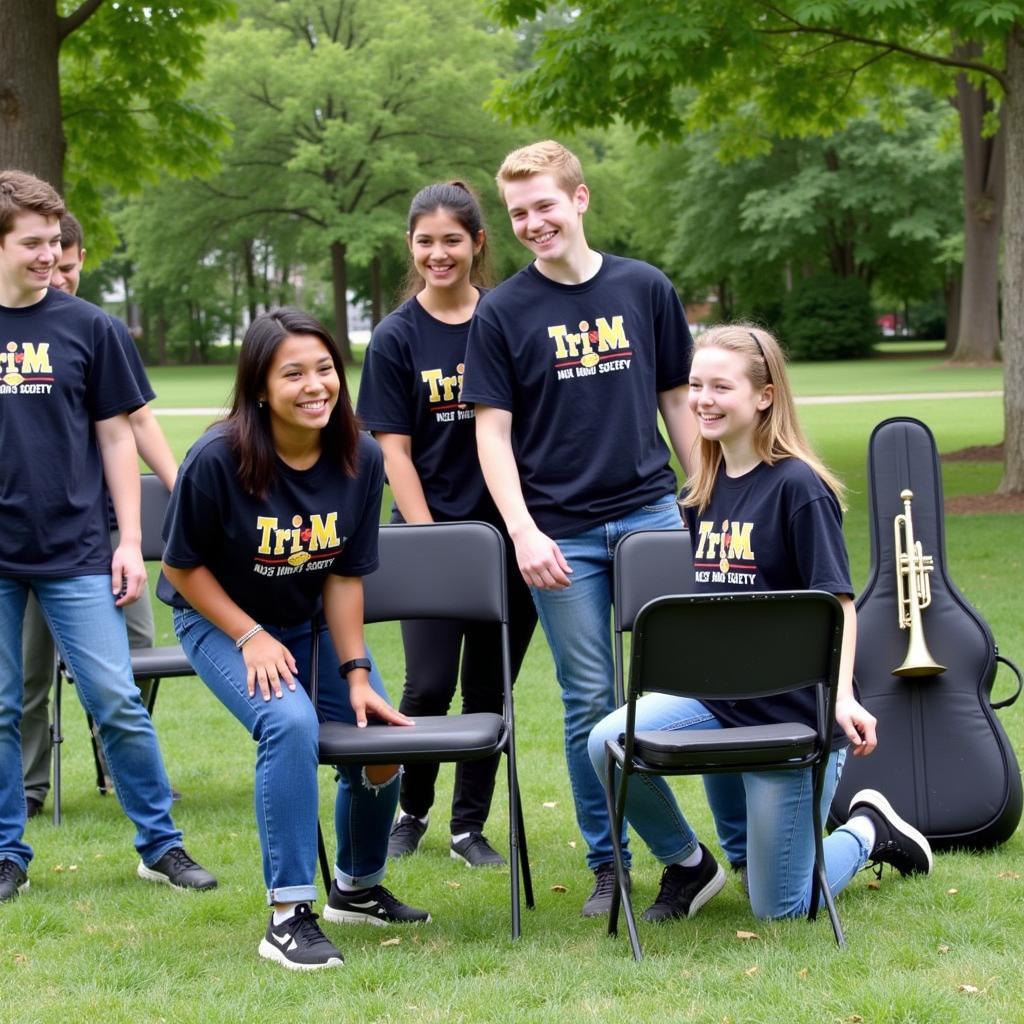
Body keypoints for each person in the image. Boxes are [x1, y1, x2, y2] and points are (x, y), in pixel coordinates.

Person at [587, 324, 933, 926]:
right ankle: (690, 864)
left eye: (722, 386)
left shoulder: (800, 488)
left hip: (791, 717)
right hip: (719, 702)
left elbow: (838, 604)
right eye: (696, 385)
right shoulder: (701, 490)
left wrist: (842, 697)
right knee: (608, 743)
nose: (703, 400)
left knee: (779, 908)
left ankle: (868, 832)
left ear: (764, 396)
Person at [459, 140, 699, 915]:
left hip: (653, 517)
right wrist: (523, 532)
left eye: (545, 206)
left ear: (581, 200)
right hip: (560, 535)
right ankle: (612, 863)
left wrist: (707, 496)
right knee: (588, 700)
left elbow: (676, 402)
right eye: (518, 212)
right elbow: (490, 432)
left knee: (677, 692)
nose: (533, 223)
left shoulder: (645, 287)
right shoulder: (501, 311)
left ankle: (696, 856)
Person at [160, 307, 430, 971]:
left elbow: (343, 573)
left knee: (380, 743)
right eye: (294, 373)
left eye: (325, 368)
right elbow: (179, 566)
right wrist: (249, 634)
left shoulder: (360, 456)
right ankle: (287, 916)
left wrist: (359, 672)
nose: (316, 384)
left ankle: (357, 888)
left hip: (308, 623)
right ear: (259, 386)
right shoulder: (217, 457)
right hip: (220, 619)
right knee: (289, 722)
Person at [0, 169, 215, 904]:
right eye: (32, 243)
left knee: (115, 695)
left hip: (76, 550)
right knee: (2, 706)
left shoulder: (89, 327)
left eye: (55, 242)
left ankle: (160, 844)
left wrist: (129, 539)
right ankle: (7, 853)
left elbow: (118, 441)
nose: (48, 255)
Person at [357, 182, 538, 867]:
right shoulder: (397, 336)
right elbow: (391, 451)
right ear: (411, 245)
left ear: (477, 243)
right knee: (428, 686)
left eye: (452, 241)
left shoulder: (507, 320)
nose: (439, 254)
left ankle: (469, 827)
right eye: (425, 241)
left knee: (491, 687)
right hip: (428, 538)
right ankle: (414, 809)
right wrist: (433, 538)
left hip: (510, 537)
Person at [20, 212, 179, 818]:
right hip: (26, 539)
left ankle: (124, 771)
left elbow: (134, 425)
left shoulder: (94, 330)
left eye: (65, 261)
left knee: (129, 660)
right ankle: (30, 790)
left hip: (99, 529)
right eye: (41, 255)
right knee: (28, 677)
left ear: (80, 259)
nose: (55, 274)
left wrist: (182, 492)